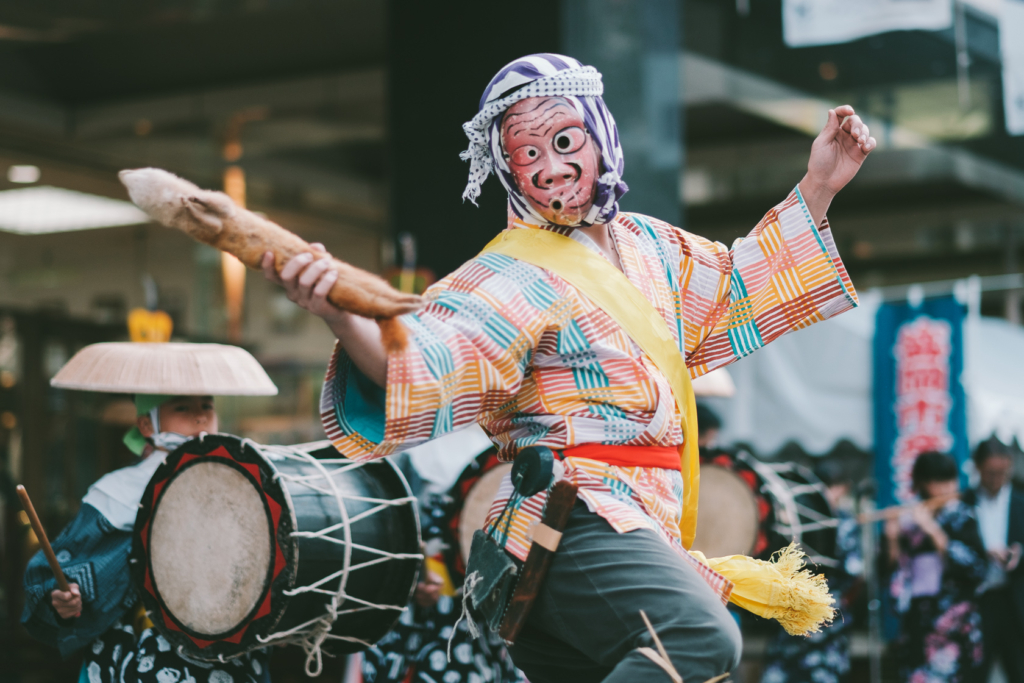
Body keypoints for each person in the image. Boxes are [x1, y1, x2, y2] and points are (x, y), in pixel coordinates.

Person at [264, 54, 873, 682]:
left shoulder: (650, 246)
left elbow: (739, 286)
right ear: (505, 170)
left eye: (563, 140)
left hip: (632, 523)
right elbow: (431, 360)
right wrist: (344, 316)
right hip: (574, 515)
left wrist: (819, 187)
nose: (550, 168)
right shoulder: (509, 274)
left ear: (601, 133)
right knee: (697, 642)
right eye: (526, 156)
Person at [22, 343, 277, 683]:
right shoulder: (118, 492)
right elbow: (65, 569)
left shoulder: (242, 481)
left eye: (207, 405)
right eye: (183, 407)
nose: (200, 416)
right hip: (139, 649)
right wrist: (64, 598)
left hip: (225, 651)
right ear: (146, 424)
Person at [882, 451, 987, 683]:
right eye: (939, 481)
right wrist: (891, 538)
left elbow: (977, 568)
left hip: (955, 623)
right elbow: (890, 570)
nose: (947, 488)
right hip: (919, 619)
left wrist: (934, 531)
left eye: (951, 480)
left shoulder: (963, 516)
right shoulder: (908, 519)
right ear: (923, 483)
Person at [760, 460, 863, 683]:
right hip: (791, 611)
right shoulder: (793, 518)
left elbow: (854, 573)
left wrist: (839, 604)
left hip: (827, 615)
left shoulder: (845, 522)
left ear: (842, 490)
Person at [962, 438, 1024, 683]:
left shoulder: (1021, 503)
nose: (997, 479)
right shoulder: (963, 502)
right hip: (977, 601)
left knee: (1018, 670)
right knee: (975, 673)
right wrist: (983, 552)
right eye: (991, 473)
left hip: (1013, 600)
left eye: (1002, 473)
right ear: (977, 468)